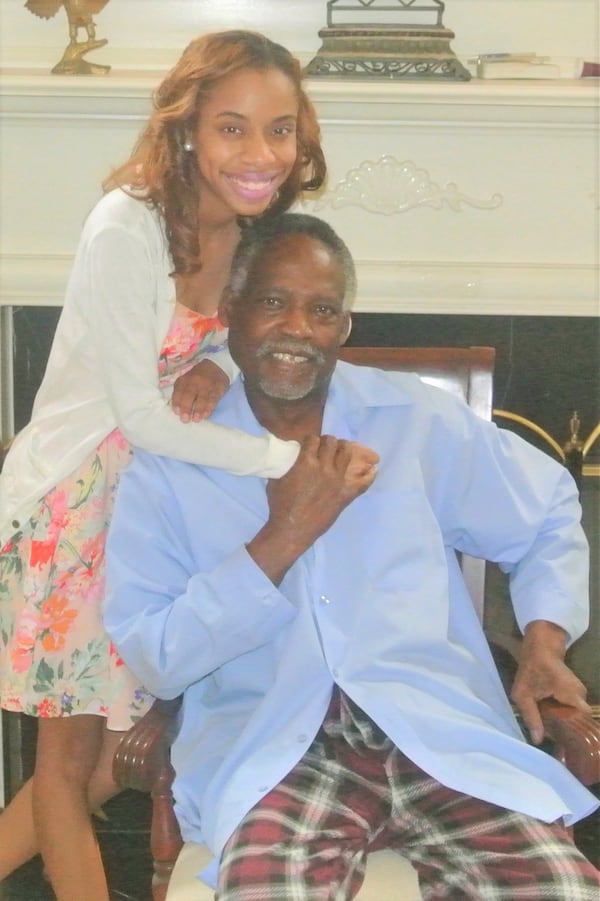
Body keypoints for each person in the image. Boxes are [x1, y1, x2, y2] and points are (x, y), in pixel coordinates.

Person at [104, 212, 600, 900]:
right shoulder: (171, 461)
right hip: (277, 748)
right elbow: (155, 655)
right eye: (274, 302)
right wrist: (282, 536)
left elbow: (546, 506)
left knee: (561, 889)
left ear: (344, 327)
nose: (298, 329)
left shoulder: (412, 419)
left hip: (434, 729)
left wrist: (546, 640)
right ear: (231, 312)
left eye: (323, 310)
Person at [0, 31, 335, 901]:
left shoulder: (250, 228)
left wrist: (218, 364)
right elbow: (141, 417)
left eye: (280, 130)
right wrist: (283, 460)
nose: (260, 154)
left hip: (154, 502)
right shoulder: (128, 224)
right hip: (78, 502)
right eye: (233, 129)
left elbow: (229, 332)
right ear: (188, 131)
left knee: (115, 751)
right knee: (71, 765)